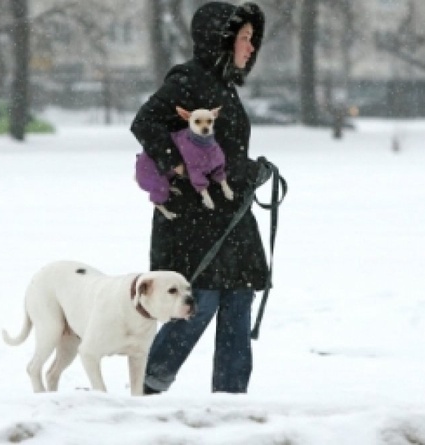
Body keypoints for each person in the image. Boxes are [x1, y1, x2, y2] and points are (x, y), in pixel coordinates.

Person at [130, 1, 269, 394]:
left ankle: (230, 400)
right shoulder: (188, 79)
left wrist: (246, 171)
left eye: (252, 39)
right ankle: (146, 388)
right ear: (220, 41)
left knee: (239, 303)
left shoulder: (223, 87)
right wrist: (175, 168)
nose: (250, 47)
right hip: (195, 221)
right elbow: (145, 122)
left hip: (231, 217)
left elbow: (218, 151)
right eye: (243, 39)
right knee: (198, 303)